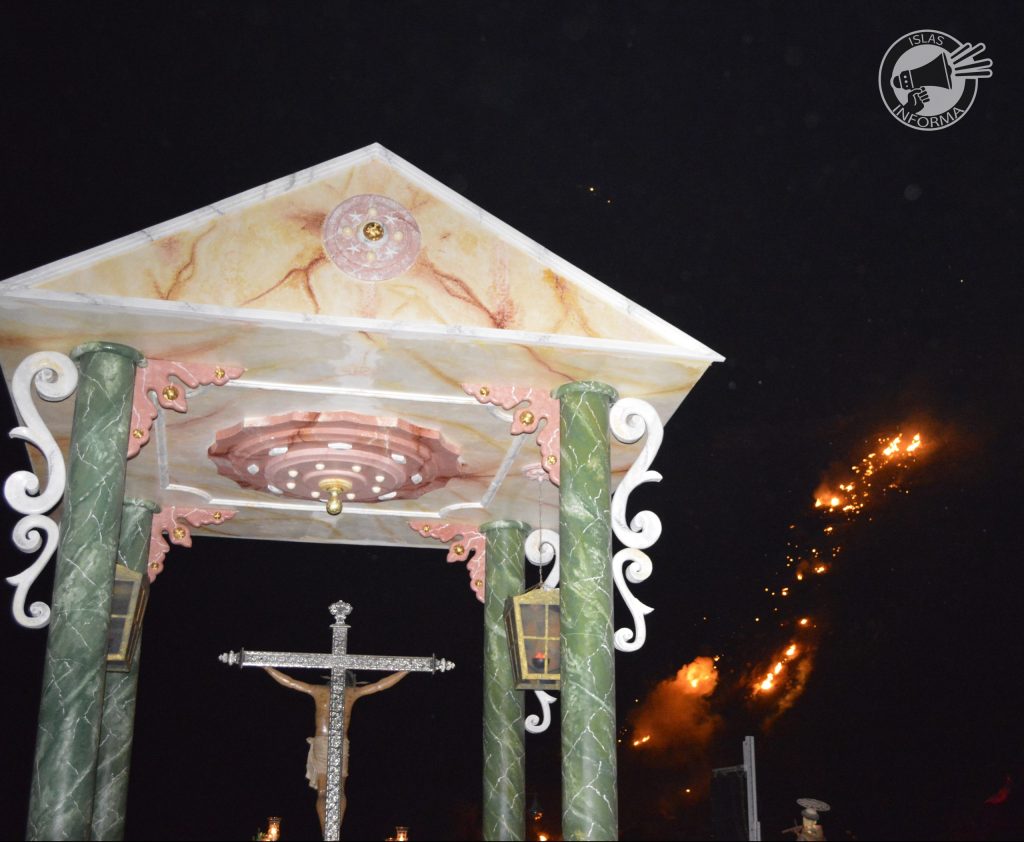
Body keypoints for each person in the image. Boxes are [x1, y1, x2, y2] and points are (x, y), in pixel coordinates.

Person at [264, 666, 408, 835]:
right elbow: (380, 685)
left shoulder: (318, 690)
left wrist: (265, 666)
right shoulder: (351, 693)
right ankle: (333, 832)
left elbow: (290, 682)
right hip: (340, 743)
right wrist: (406, 670)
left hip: (323, 741)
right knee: (339, 791)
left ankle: (328, 833)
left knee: (323, 792)